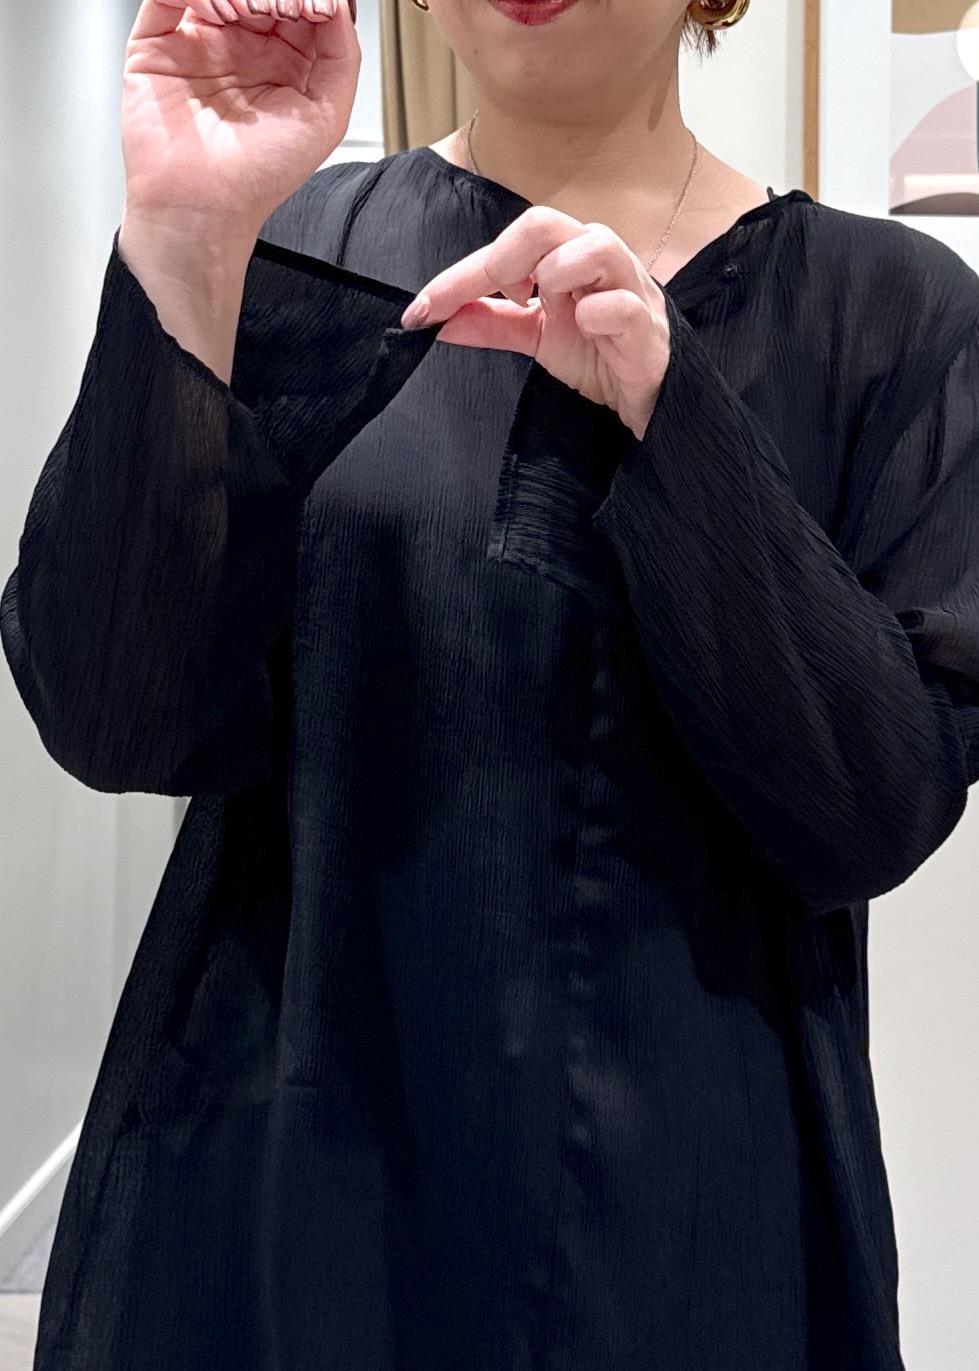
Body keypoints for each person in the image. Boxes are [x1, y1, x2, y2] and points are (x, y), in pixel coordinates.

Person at [2, 0, 978, 1367]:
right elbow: (115, 716)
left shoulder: (897, 316)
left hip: (697, 1219)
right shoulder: (285, 245)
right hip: (290, 1197)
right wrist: (181, 236)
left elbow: (874, 807)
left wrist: (671, 414)